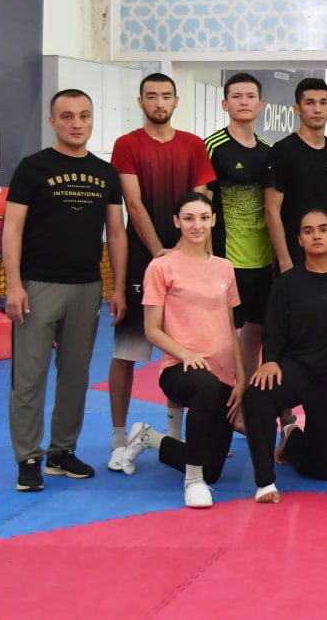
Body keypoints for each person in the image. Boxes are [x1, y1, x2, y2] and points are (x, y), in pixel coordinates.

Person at [5, 89, 127, 491]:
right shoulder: (32, 168)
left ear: (92, 119)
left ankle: (61, 451)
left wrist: (118, 287)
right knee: (30, 376)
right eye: (68, 116)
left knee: (75, 375)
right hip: (38, 285)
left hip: (87, 286)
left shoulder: (105, 173)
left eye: (84, 116)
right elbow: (13, 228)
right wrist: (14, 285)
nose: (77, 123)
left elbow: (116, 232)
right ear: (52, 121)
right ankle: (28, 457)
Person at [109, 73, 216, 472]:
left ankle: (174, 435)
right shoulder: (127, 145)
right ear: (140, 102)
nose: (159, 102)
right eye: (151, 96)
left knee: (183, 349)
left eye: (166, 96)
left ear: (176, 101)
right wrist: (158, 252)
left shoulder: (193, 145)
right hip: (142, 263)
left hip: (187, 265)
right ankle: (118, 438)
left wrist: (191, 255)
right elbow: (133, 203)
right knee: (127, 352)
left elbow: (199, 204)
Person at [118, 193, 245, 509]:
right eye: (188, 218)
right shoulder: (161, 267)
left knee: (214, 469)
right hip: (181, 368)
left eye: (203, 217)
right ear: (177, 222)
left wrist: (241, 379)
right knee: (205, 387)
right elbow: (152, 330)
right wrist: (186, 354)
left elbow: (231, 329)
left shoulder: (225, 268)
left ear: (213, 220)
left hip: (222, 375)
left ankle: (148, 437)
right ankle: (194, 480)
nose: (196, 225)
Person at [242, 209, 327, 503]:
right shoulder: (287, 283)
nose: (316, 236)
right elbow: (274, 329)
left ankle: (291, 439)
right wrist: (270, 360)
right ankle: (265, 483)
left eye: (323, 229)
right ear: (300, 240)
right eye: (308, 231)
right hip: (298, 369)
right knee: (257, 395)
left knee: (325, 470)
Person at [204, 73, 274, 399]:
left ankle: (244, 400)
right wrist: (206, 261)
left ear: (260, 105)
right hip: (227, 262)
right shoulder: (213, 147)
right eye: (236, 96)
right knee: (221, 338)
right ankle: (219, 404)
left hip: (263, 263)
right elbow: (201, 206)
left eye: (250, 96)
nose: (243, 102)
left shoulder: (269, 152)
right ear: (225, 104)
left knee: (255, 336)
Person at [264, 77, 327, 271]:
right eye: (310, 103)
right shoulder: (282, 151)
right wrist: (284, 260)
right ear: (297, 108)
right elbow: (271, 211)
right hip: (295, 257)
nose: (317, 109)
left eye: (323, 103)